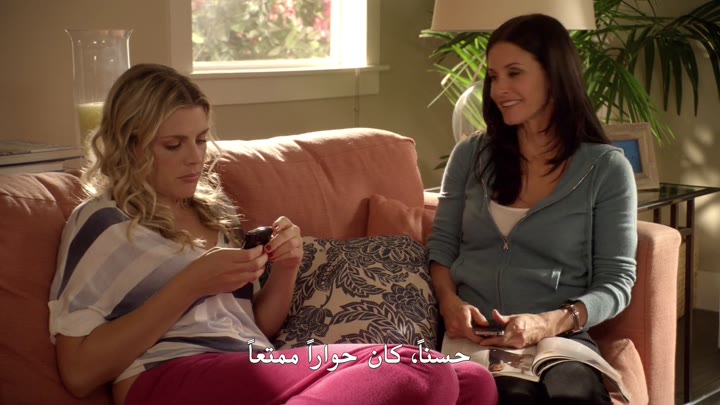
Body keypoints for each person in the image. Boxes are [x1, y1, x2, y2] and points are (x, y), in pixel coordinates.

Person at [48, 63, 498, 405]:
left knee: (472, 380)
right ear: (129, 145)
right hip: (167, 374)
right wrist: (190, 283)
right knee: (419, 372)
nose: (194, 158)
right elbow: (79, 372)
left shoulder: (210, 214)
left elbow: (254, 325)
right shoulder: (104, 222)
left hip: (250, 362)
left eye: (201, 140)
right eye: (173, 144)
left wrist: (286, 268)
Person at [427, 14, 638, 404]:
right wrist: (449, 302)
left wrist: (548, 323)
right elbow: (441, 249)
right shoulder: (470, 156)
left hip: (559, 339)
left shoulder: (606, 169)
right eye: (493, 76)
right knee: (510, 395)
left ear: (554, 75)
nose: (498, 89)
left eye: (514, 73)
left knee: (575, 394)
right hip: (474, 340)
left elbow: (616, 282)